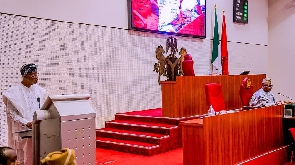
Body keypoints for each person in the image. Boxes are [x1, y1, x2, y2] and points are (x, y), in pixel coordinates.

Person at [2, 63, 46, 165]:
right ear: (25, 76)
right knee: (20, 157)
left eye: (36, 74)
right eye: (33, 75)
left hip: (36, 129)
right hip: (21, 131)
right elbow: (12, 114)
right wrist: (26, 122)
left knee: (36, 154)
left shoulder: (39, 90)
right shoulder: (13, 92)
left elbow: (42, 107)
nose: (36, 77)